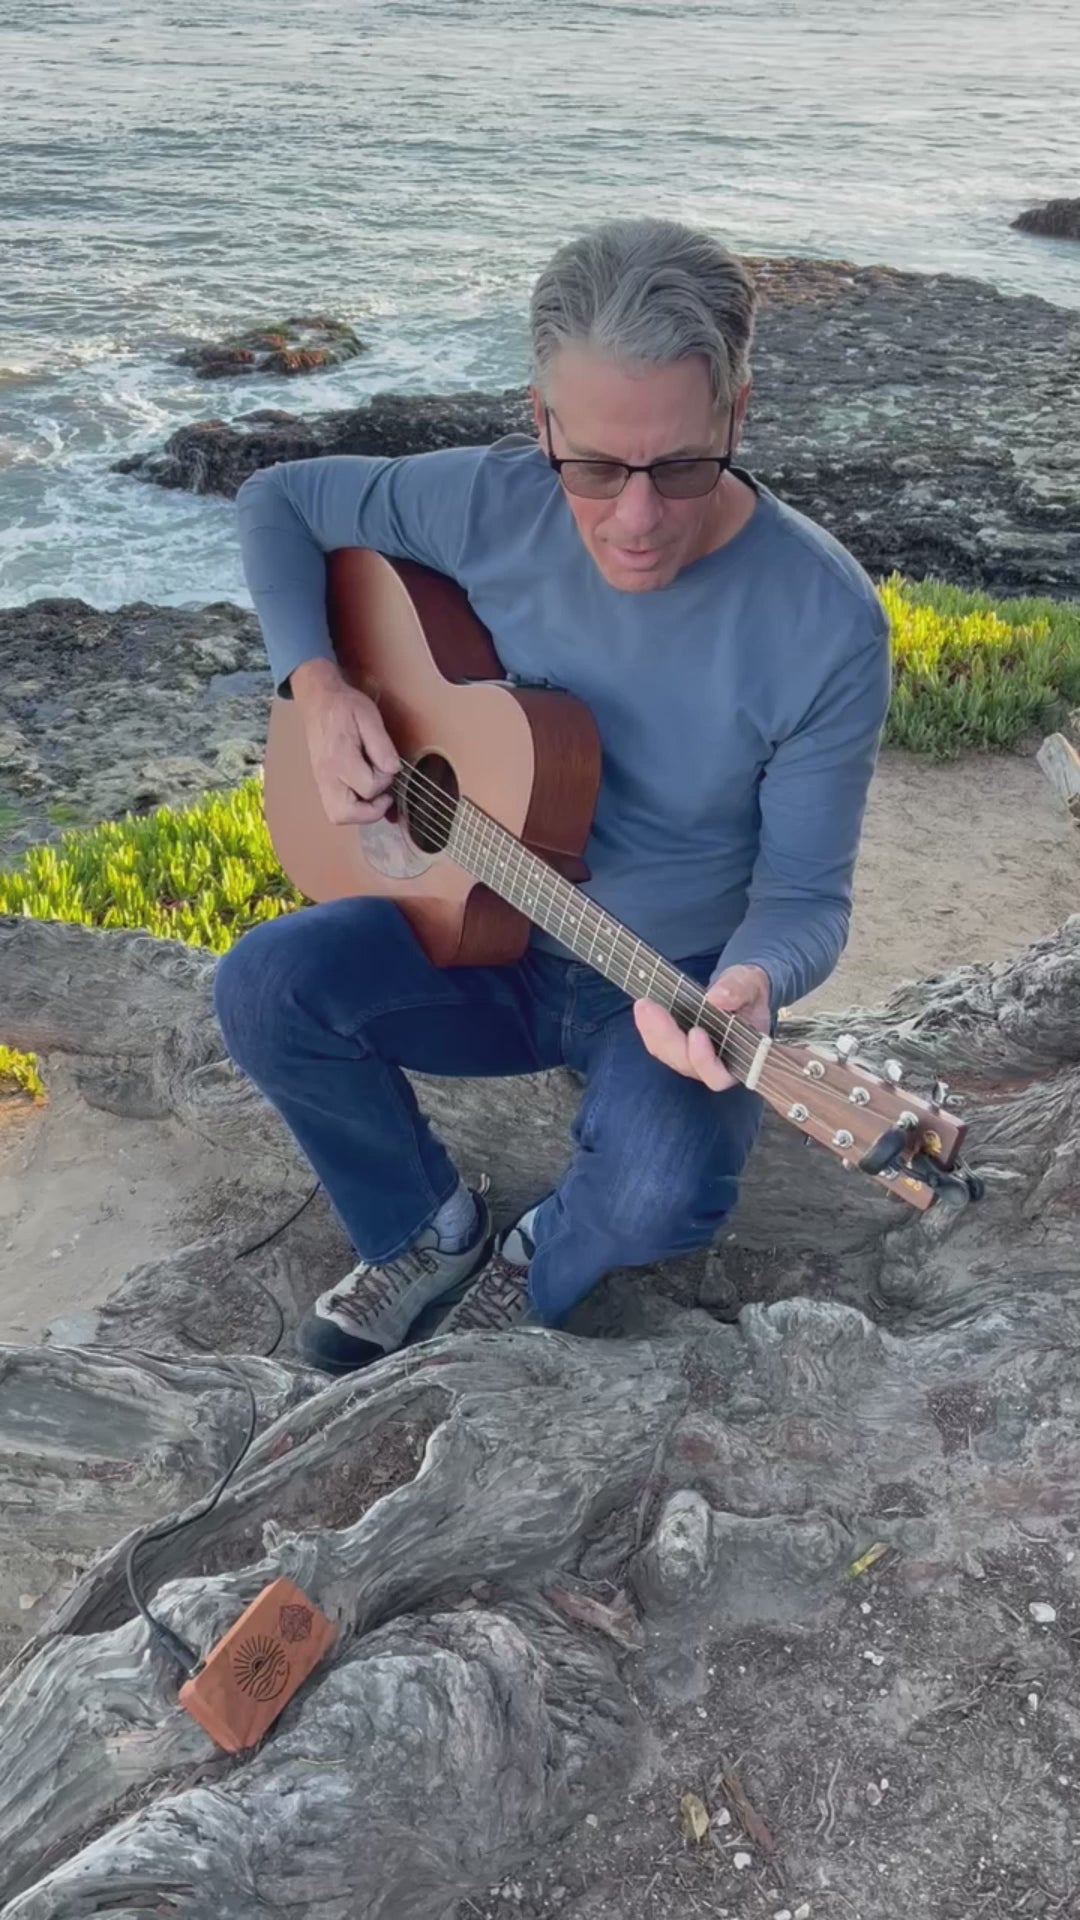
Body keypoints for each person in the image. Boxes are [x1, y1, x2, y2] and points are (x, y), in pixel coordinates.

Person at [214, 215, 891, 1374]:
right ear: (540, 424)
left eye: (683, 465)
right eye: (592, 469)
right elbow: (277, 502)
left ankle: (537, 1262)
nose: (637, 520)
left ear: (738, 410)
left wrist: (751, 979)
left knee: (667, 1190)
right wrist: (318, 685)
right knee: (267, 987)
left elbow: (806, 894)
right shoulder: (485, 502)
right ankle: (424, 1231)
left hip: (660, 988)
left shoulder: (826, 624)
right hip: (470, 932)